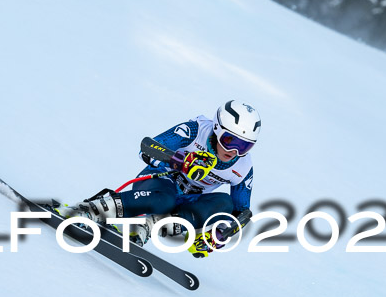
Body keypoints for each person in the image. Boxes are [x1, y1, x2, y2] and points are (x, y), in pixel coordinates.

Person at [56, 100, 259, 258]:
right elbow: (148, 146)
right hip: (157, 184)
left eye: (244, 146)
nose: (234, 151)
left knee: (224, 202)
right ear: (217, 129)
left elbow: (241, 212)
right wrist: (182, 162)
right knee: (165, 198)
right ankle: (89, 210)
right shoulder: (195, 130)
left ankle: (145, 226)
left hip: (186, 204)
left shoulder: (242, 166)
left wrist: (219, 234)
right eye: (229, 140)